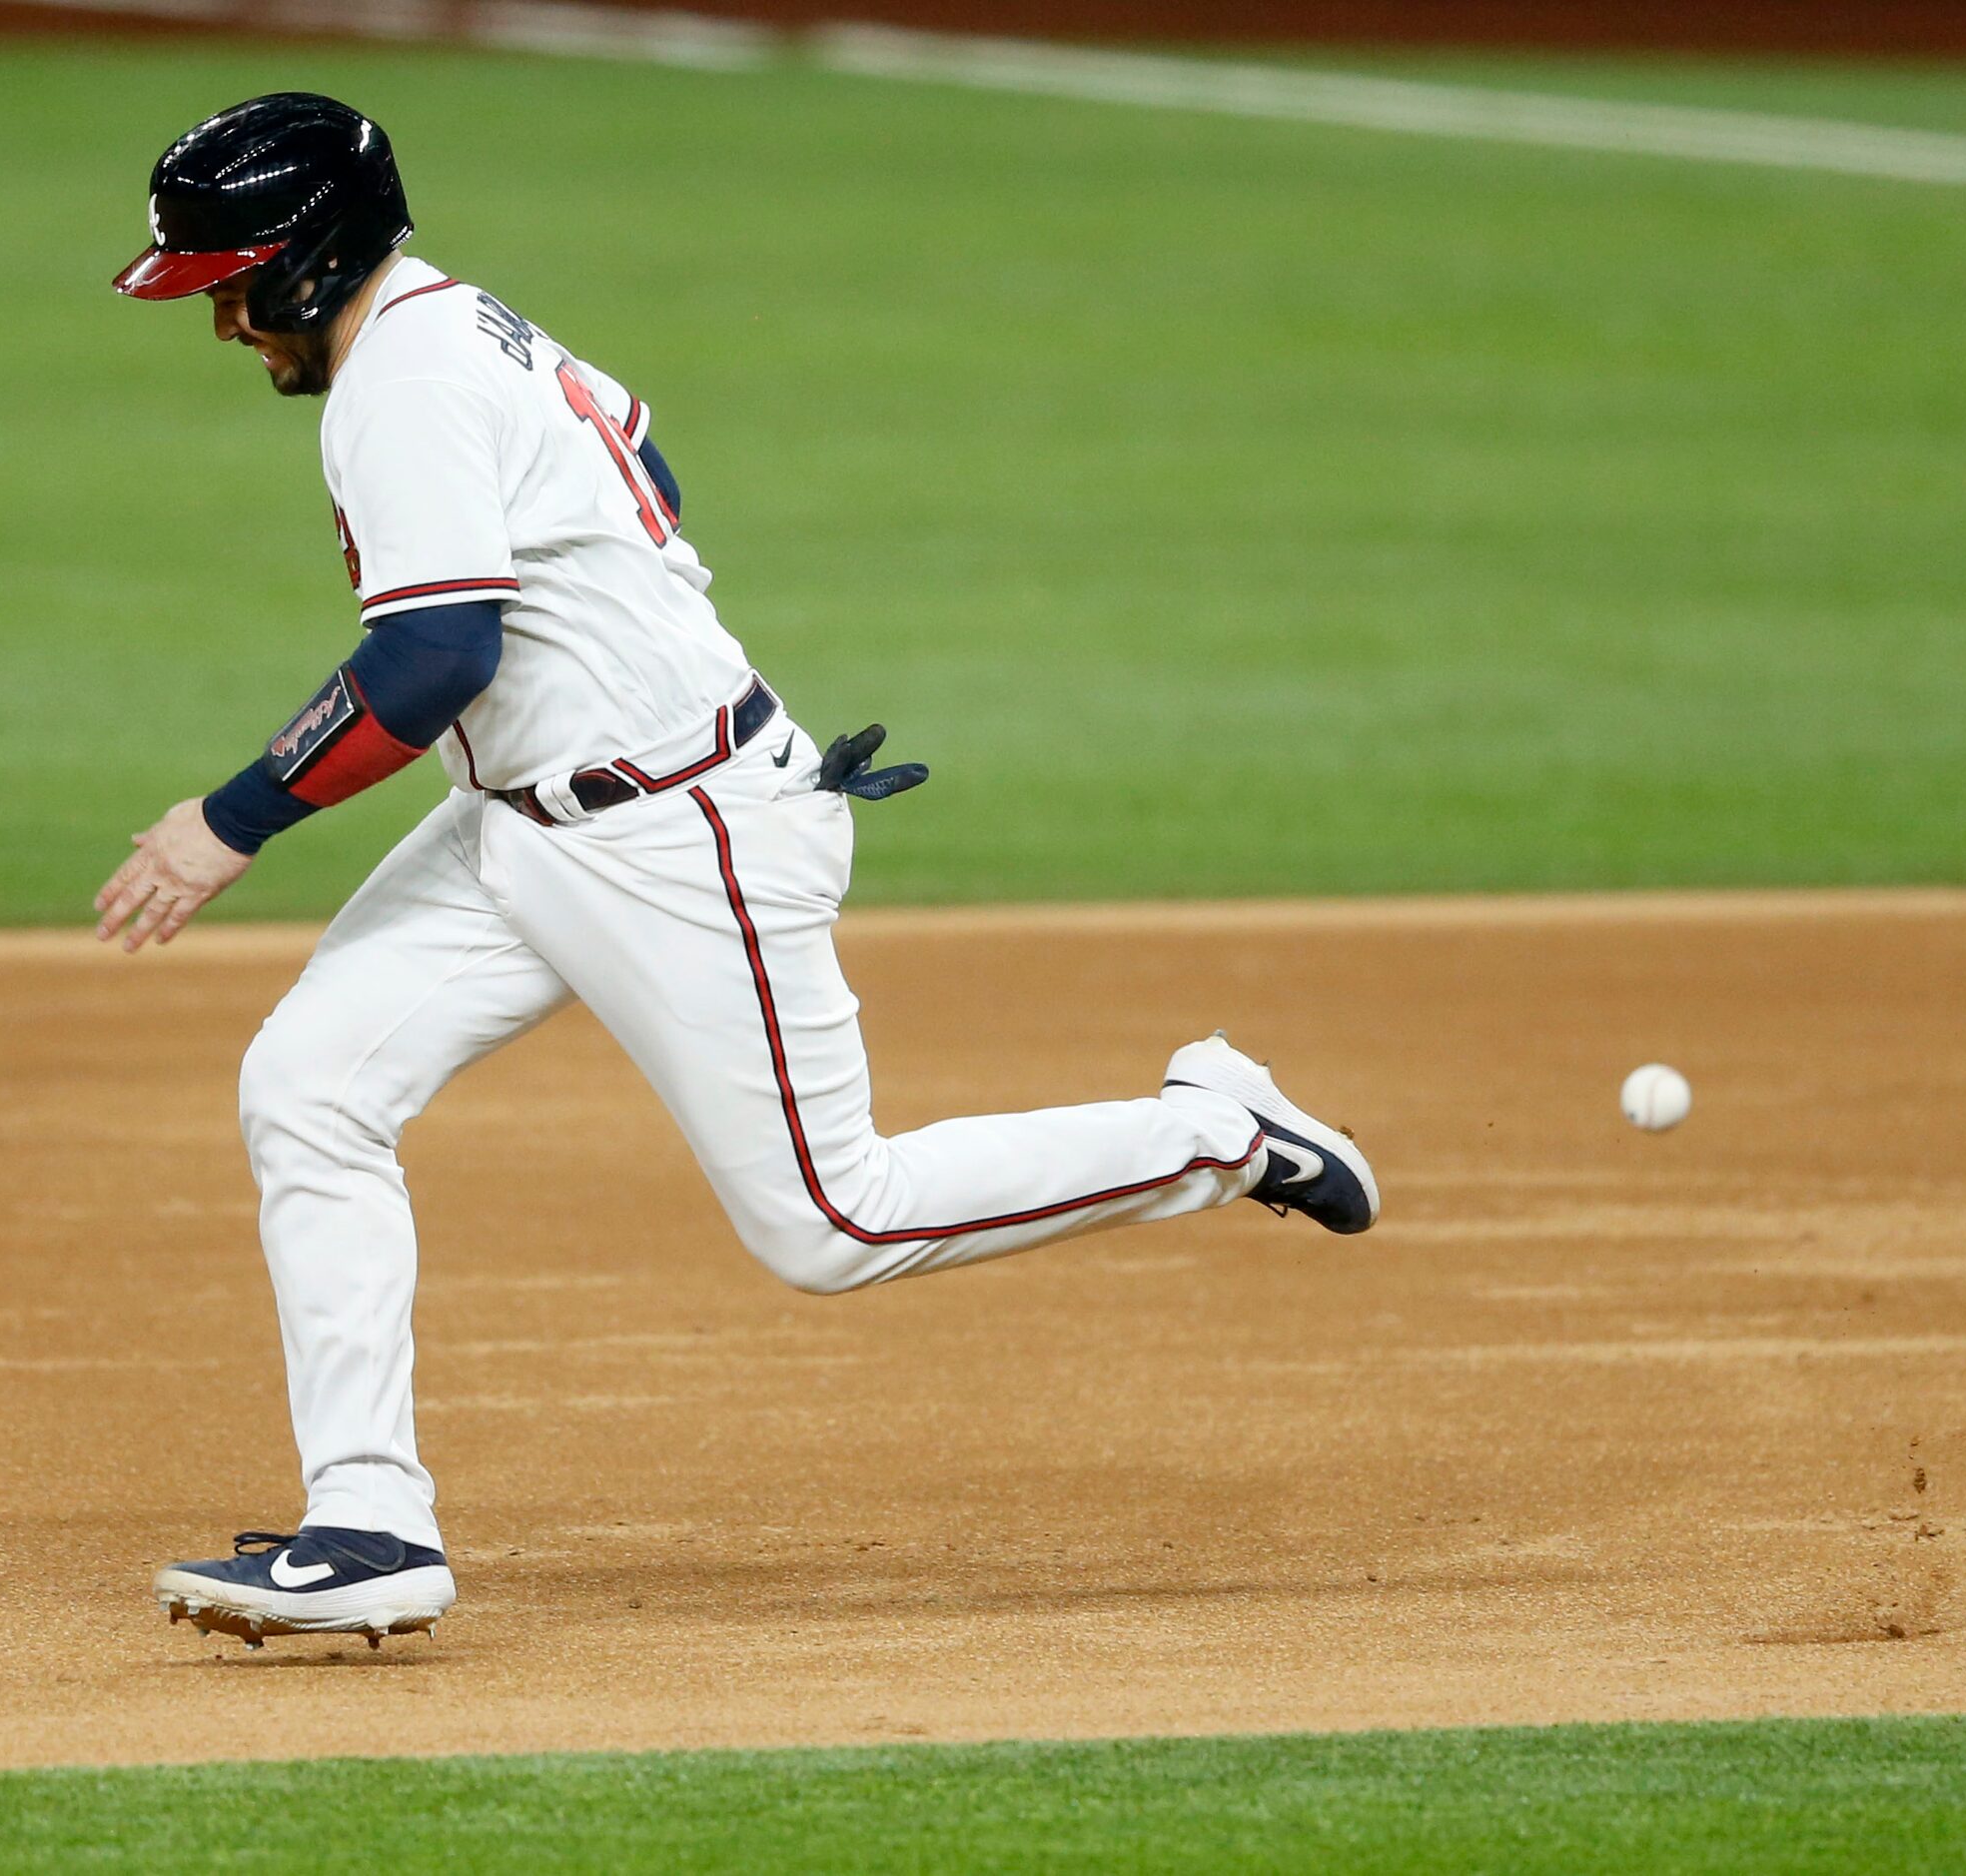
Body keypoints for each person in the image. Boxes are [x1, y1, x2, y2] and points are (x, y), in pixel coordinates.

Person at [100, 96, 1383, 1648]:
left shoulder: (400, 384)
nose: (223, 320)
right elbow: (651, 473)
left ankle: (1214, 1130)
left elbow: (435, 654)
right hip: (523, 826)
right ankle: (370, 1523)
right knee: (308, 1086)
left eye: (234, 283)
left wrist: (226, 821)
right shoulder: (461, 327)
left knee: (831, 1220)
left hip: (675, 833)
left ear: (311, 262)